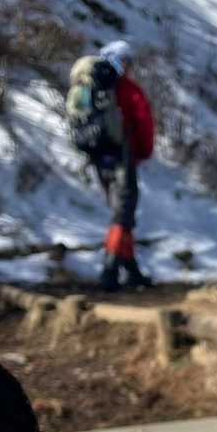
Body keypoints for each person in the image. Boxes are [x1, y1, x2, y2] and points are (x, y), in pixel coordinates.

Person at [87, 40, 155, 290]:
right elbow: (143, 120)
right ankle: (110, 269)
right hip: (122, 157)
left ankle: (131, 269)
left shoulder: (90, 86)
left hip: (99, 158)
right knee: (123, 214)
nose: (130, 66)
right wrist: (144, 151)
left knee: (121, 212)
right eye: (127, 61)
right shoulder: (127, 89)